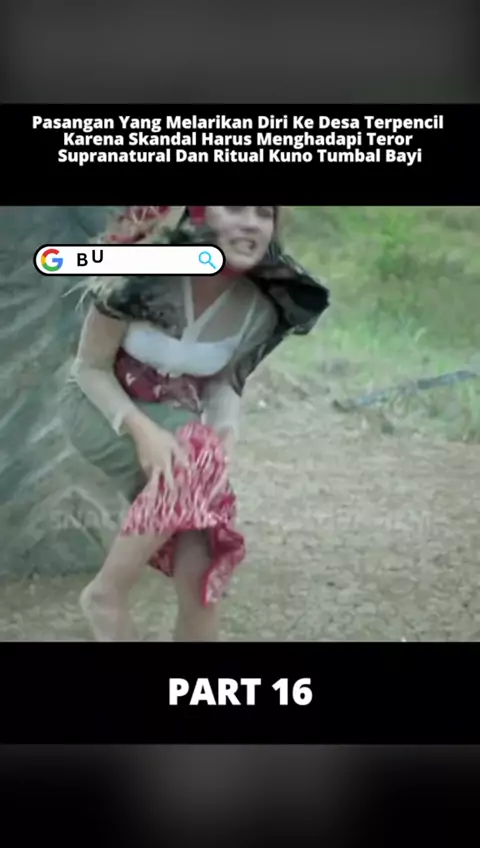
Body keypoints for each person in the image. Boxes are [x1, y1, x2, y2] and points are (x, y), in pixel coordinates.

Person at [59, 205, 329, 642]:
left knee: (202, 570)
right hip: (100, 406)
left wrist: (226, 433)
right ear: (200, 215)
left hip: (177, 420)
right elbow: (88, 369)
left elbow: (223, 382)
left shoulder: (260, 306)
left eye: (264, 213)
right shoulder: (143, 274)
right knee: (196, 457)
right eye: (235, 208)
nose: (251, 222)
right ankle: (107, 593)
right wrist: (142, 431)